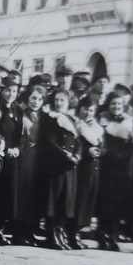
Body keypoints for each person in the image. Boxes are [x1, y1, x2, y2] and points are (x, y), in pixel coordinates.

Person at [38, 88, 80, 249]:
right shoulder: (49, 118)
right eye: (56, 100)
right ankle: (51, 235)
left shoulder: (72, 119)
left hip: (69, 167)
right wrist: (66, 156)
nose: (58, 103)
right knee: (53, 201)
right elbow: (50, 141)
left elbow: (78, 142)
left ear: (68, 102)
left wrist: (77, 155)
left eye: (62, 100)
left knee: (65, 201)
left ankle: (60, 232)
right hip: (55, 165)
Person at [96, 92, 133, 251]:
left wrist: (123, 157)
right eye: (113, 104)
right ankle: (101, 235)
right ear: (108, 105)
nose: (116, 107)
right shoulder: (102, 121)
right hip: (105, 166)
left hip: (122, 167)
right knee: (104, 202)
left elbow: (132, 145)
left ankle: (113, 236)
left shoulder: (129, 122)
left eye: (118, 104)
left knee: (117, 203)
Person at [0, 79, 23, 245]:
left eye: (14, 91)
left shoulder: (18, 109)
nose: (11, 94)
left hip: (12, 158)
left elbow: (20, 134)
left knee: (8, 195)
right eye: (8, 91)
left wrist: (17, 148)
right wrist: (5, 147)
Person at [12, 85, 45, 246]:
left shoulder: (44, 117)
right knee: (22, 195)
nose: (36, 102)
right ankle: (19, 233)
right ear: (27, 99)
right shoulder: (20, 115)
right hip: (24, 157)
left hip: (38, 159)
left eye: (39, 99)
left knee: (35, 196)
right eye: (33, 98)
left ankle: (30, 232)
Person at [72, 96, 103, 248]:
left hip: (93, 166)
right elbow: (74, 144)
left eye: (91, 110)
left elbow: (102, 143)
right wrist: (86, 150)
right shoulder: (76, 124)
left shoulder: (96, 126)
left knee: (89, 199)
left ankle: (79, 230)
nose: (88, 113)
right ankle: (73, 233)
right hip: (80, 167)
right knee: (79, 200)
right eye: (85, 109)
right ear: (80, 109)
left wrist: (99, 151)